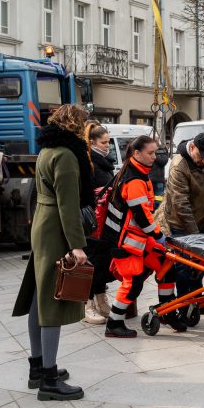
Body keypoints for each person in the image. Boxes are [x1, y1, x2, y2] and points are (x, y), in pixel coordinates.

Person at [11, 104, 93, 401]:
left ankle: (37, 368)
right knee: (52, 301)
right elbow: (68, 207)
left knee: (39, 297)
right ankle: (49, 379)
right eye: (85, 124)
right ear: (75, 126)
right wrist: (77, 245)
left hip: (43, 226)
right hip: (57, 229)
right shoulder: (67, 156)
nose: (88, 130)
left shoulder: (48, 149)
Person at [101, 136, 185, 338]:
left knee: (166, 263)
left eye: (155, 152)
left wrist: (155, 237)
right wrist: (158, 235)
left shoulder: (137, 172)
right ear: (136, 153)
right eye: (150, 153)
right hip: (126, 241)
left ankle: (166, 310)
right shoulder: (134, 178)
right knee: (133, 282)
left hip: (137, 238)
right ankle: (114, 323)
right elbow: (140, 213)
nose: (154, 157)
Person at [154, 133, 204, 317]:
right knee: (184, 265)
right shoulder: (178, 165)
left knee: (200, 263)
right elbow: (180, 204)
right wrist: (195, 235)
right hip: (180, 224)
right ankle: (183, 305)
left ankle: (197, 302)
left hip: (202, 220)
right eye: (201, 157)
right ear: (192, 148)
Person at [83, 123, 116, 326]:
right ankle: (87, 304)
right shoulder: (90, 163)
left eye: (108, 142)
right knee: (93, 261)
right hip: (93, 220)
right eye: (104, 142)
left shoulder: (104, 161)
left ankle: (101, 299)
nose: (107, 146)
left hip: (106, 220)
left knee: (103, 260)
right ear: (92, 142)